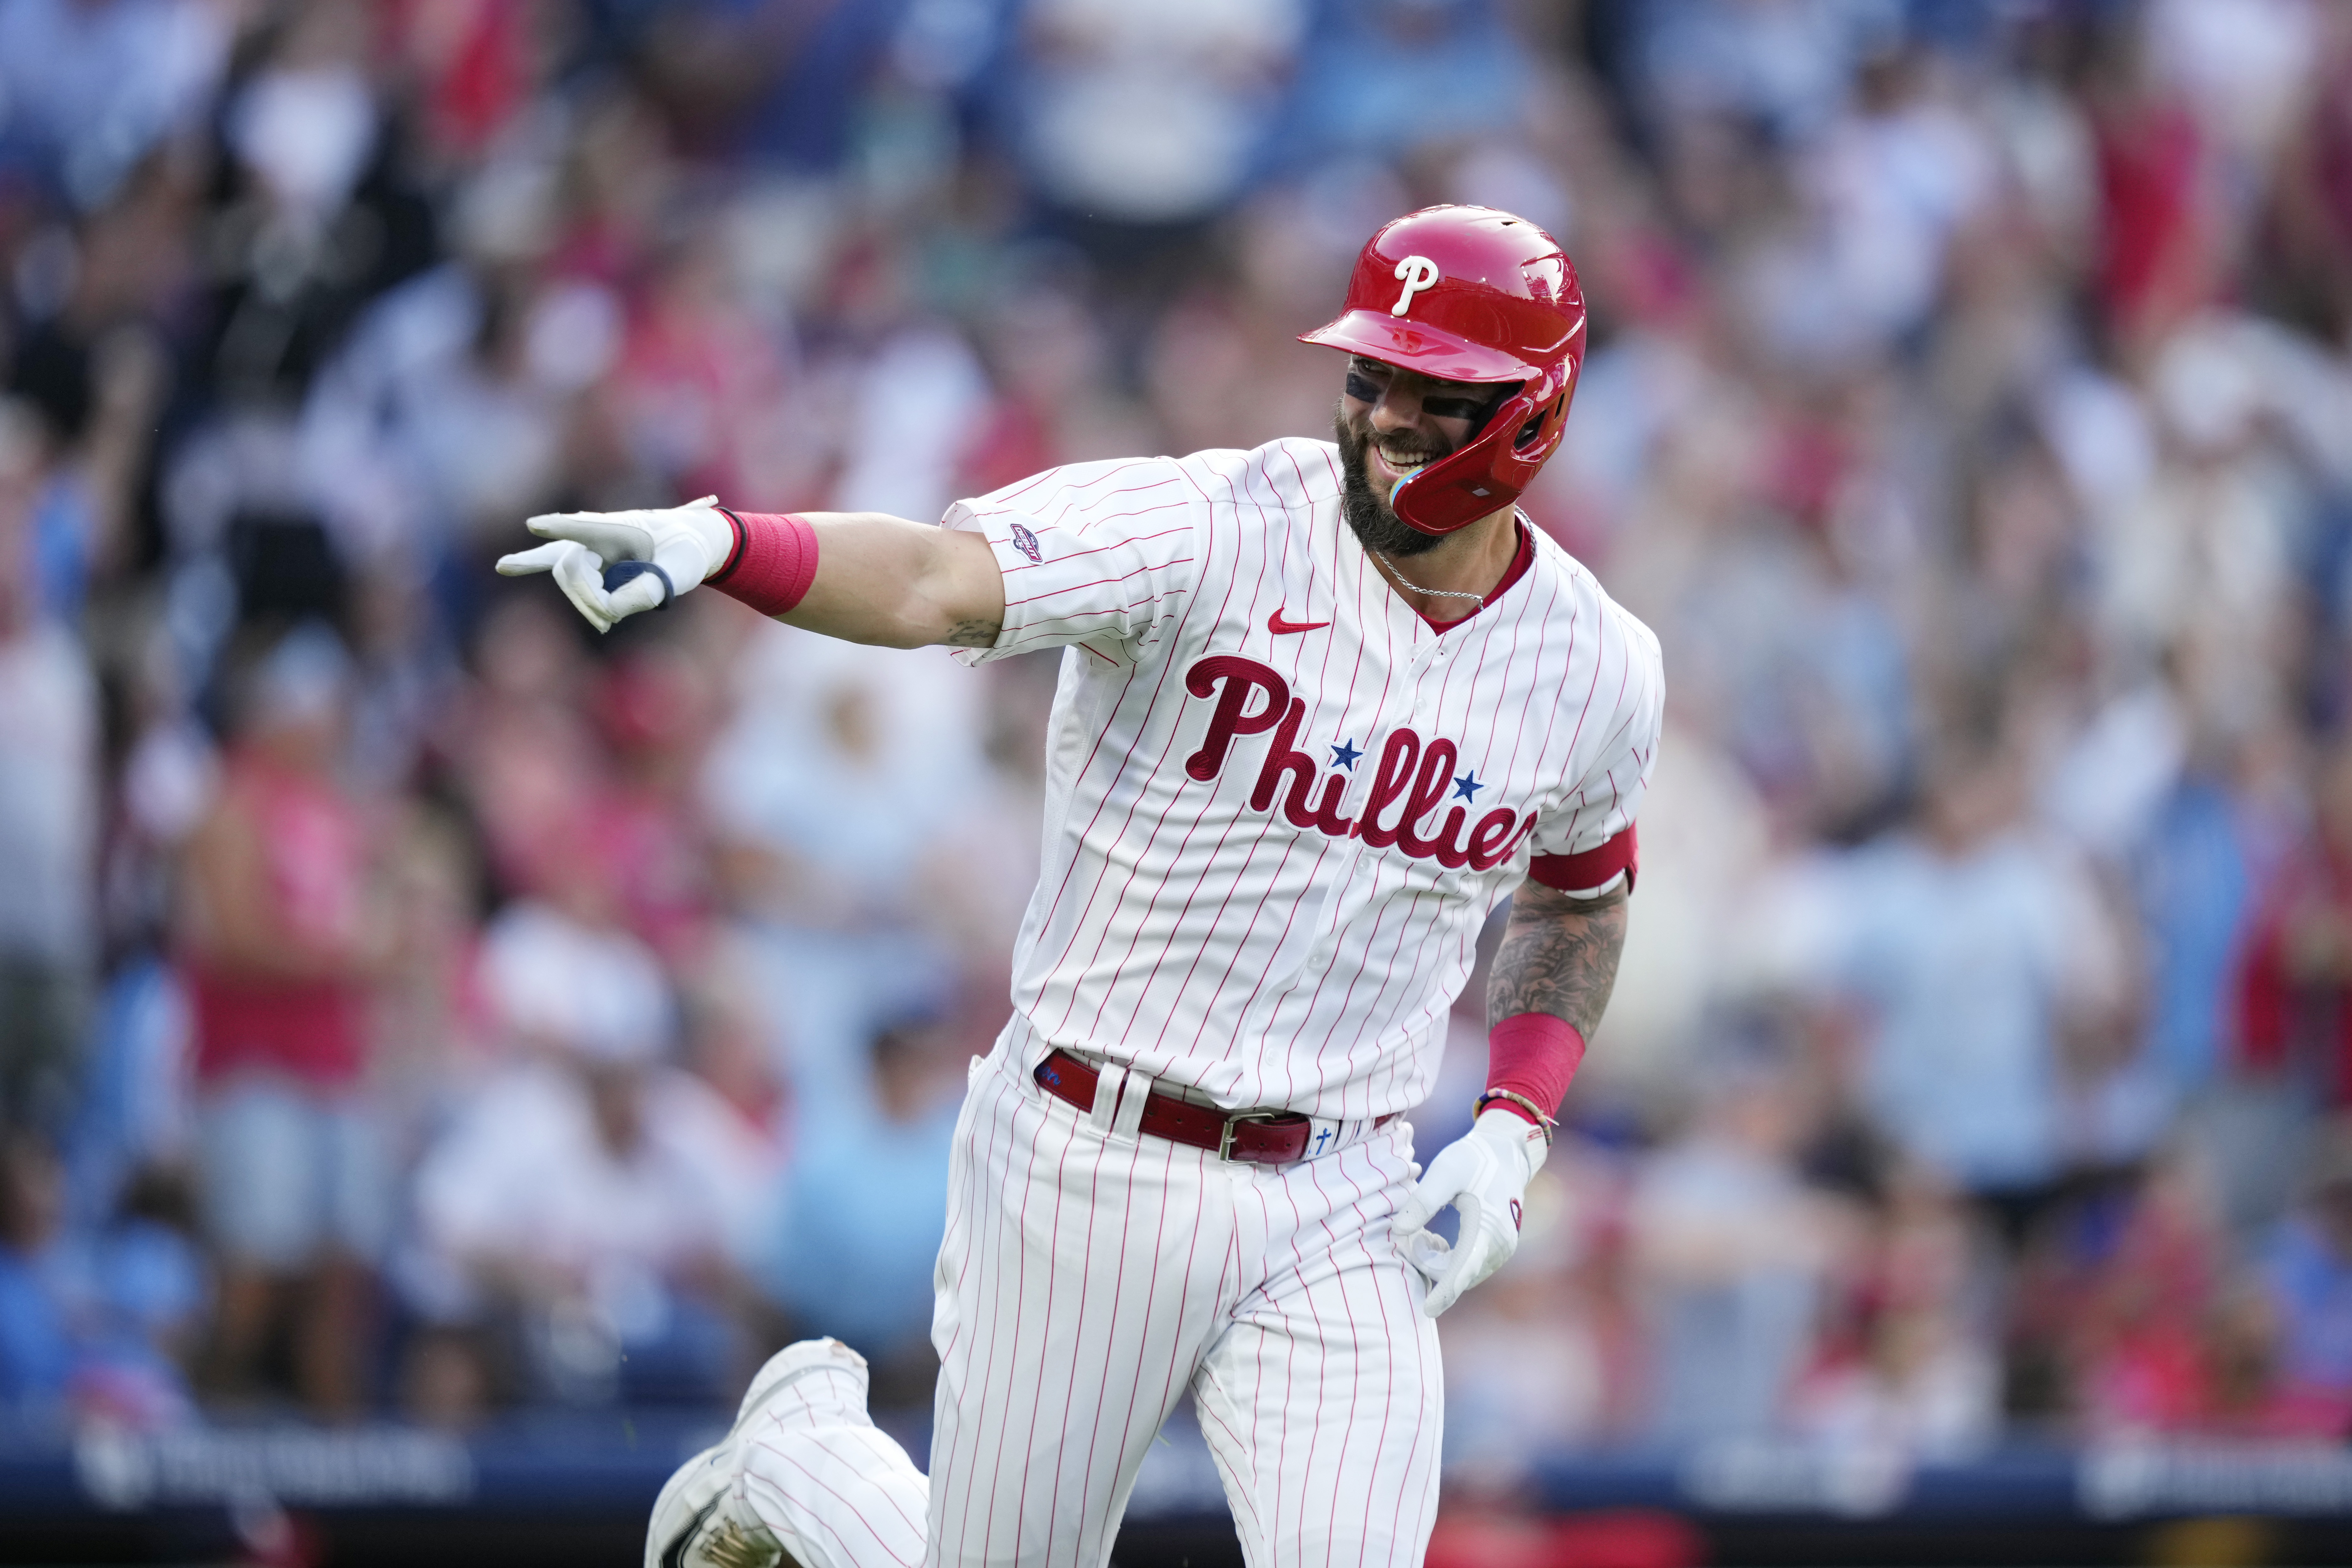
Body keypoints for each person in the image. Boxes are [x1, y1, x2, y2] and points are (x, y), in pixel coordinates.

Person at [500, 205, 1662, 1568]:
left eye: (1433, 391)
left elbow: (1579, 891)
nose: (1385, 416)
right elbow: (938, 578)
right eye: (1369, 375)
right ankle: (801, 1460)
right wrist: (724, 543)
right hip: (1091, 1149)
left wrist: (1515, 1129)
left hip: (1345, 1189)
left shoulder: (1593, 663)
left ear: (1533, 411)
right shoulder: (1208, 526)